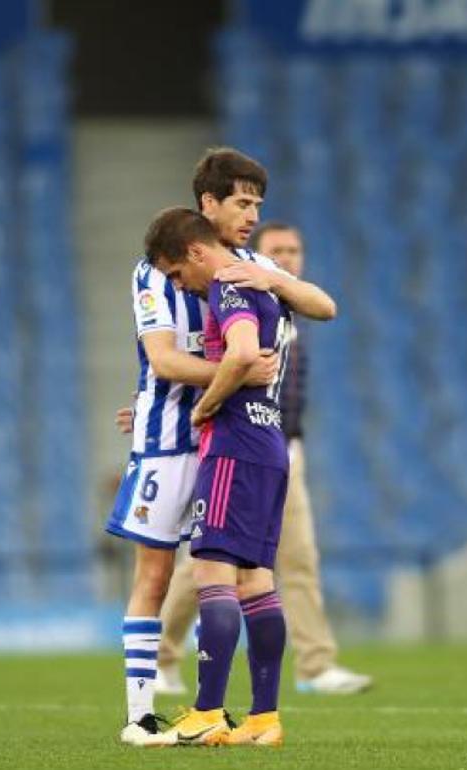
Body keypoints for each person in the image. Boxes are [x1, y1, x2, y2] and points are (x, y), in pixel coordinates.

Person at [107, 149, 336, 747]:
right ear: (206, 205)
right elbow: (162, 358)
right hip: (171, 440)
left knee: (235, 575)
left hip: (226, 439)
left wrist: (275, 279)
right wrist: (226, 377)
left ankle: (225, 711)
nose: (253, 215)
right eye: (242, 202)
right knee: (159, 576)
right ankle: (142, 717)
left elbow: (323, 305)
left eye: (257, 203)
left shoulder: (250, 269)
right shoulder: (155, 269)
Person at [154, 222, 372, 696]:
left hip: (278, 442)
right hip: (241, 441)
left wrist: (276, 281)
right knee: (210, 566)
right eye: (278, 251)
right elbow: (224, 357)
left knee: (289, 562)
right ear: (259, 254)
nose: (288, 258)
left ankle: (312, 667)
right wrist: (194, 405)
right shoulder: (240, 293)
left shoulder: (281, 297)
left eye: (295, 250)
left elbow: (327, 307)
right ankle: (165, 657)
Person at [144, 208, 296, 747]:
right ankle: (263, 719)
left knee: (212, 571)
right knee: (255, 578)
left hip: (234, 446)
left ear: (193, 253)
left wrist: (204, 406)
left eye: (177, 274)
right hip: (270, 441)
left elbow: (239, 353)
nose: (180, 285)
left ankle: (208, 710)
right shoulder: (263, 286)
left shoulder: (228, 287)